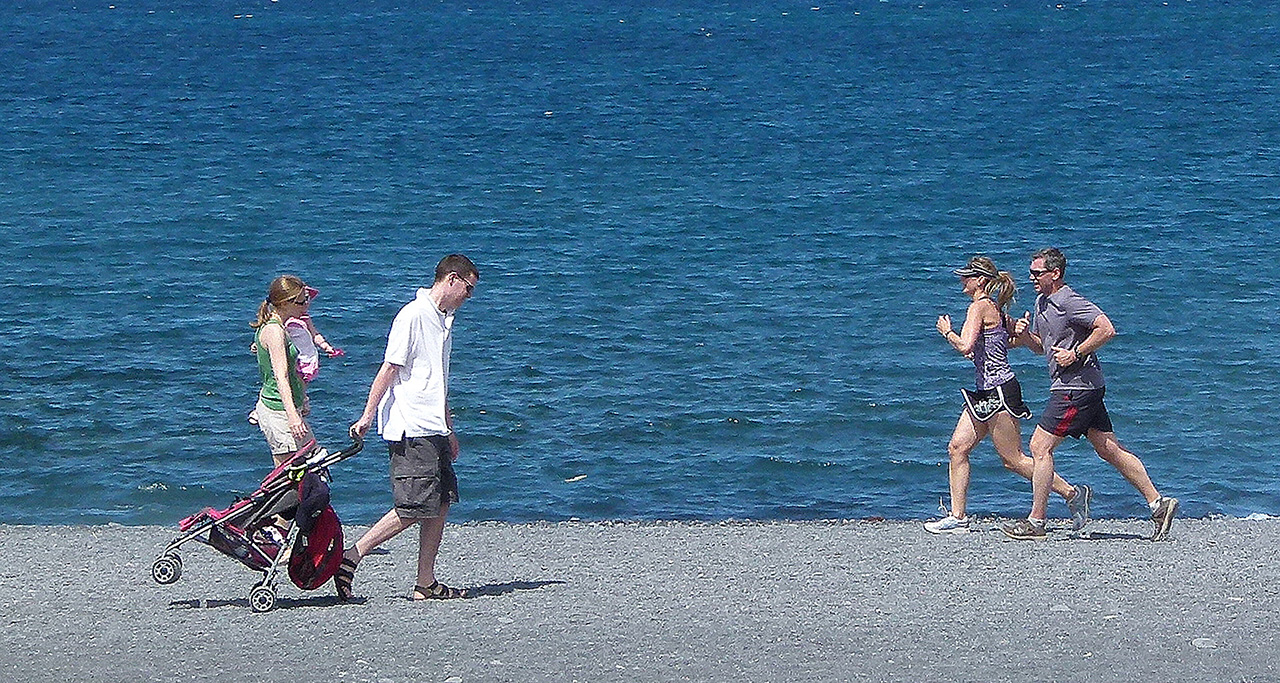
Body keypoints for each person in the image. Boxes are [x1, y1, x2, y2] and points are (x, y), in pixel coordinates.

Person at [1003, 248, 1178, 541]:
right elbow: (1040, 346)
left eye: (1037, 273)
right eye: (1031, 273)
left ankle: (1036, 522)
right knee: (1108, 449)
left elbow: (1106, 329)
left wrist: (1075, 353)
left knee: (1039, 447)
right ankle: (1159, 504)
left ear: (1055, 274)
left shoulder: (1069, 301)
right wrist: (1021, 337)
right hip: (1085, 386)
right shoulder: (1042, 301)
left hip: (1075, 388)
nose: (1031, 277)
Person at [335, 254, 479, 602]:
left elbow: (437, 378)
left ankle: (425, 582)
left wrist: (450, 427)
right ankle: (352, 556)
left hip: (434, 426)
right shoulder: (412, 316)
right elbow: (389, 368)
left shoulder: (444, 321)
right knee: (414, 506)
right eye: (469, 289)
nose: (469, 297)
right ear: (452, 279)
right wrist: (367, 415)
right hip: (411, 425)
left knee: (441, 501)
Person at [926, 256, 1091, 535]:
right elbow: (1001, 345)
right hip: (984, 391)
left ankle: (1072, 494)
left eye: (967, 276)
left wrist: (947, 333)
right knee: (957, 448)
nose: (962, 281)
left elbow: (965, 346)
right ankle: (958, 517)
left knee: (1012, 459)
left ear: (980, 281)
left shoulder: (979, 307)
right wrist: (1019, 334)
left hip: (1000, 390)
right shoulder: (994, 309)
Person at [249, 275, 314, 467]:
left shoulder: (283, 327)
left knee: (313, 461)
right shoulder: (275, 331)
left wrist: (302, 398)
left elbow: (294, 372)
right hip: (278, 412)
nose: (306, 305)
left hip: (289, 407)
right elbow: (281, 376)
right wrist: (293, 416)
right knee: (287, 477)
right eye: (301, 301)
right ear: (285, 304)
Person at [283, 286, 345, 385]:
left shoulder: (305, 318)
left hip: (307, 357)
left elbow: (315, 334)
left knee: (302, 386)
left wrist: (326, 346)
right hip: (294, 358)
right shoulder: (285, 319)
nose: (306, 302)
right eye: (303, 299)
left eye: (307, 298)